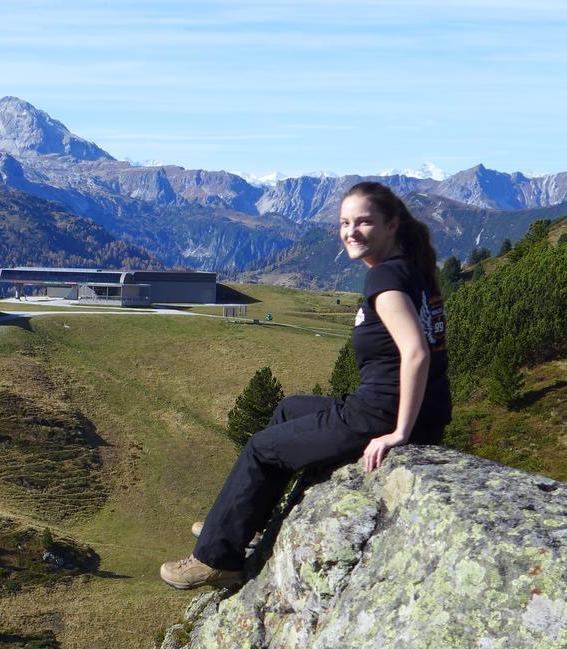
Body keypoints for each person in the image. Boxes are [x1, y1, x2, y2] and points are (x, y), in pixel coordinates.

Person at [160, 181, 452, 590]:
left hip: (381, 413)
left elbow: (416, 352)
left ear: (391, 224)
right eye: (344, 222)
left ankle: (215, 559)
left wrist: (400, 433)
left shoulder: (384, 279)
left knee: (261, 448)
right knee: (289, 409)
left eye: (364, 221)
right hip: (401, 406)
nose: (351, 231)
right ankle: (246, 523)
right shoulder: (412, 270)